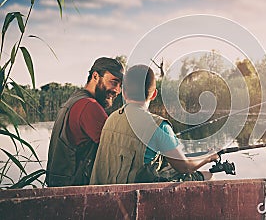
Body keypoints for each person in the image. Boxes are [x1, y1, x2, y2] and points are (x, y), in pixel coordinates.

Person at [90, 65, 218, 184]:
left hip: (106, 189)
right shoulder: (159, 126)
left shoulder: (111, 118)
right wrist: (208, 157)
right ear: (154, 94)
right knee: (208, 176)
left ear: (124, 92)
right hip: (133, 193)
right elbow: (184, 167)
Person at [46, 57, 124, 187]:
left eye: (120, 85)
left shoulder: (74, 100)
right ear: (95, 76)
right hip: (75, 192)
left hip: (60, 188)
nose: (117, 90)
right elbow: (118, 153)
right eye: (114, 82)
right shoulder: (89, 106)